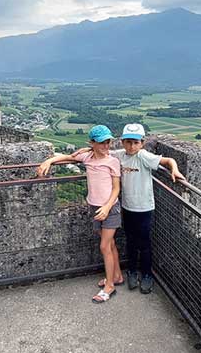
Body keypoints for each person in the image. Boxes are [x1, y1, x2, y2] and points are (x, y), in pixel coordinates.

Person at [75, 123, 184, 294]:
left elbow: (168, 160)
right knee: (131, 242)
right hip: (127, 206)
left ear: (142, 142)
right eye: (128, 142)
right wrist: (86, 149)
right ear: (123, 142)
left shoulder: (144, 156)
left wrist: (174, 170)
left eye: (135, 142)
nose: (131, 146)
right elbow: (101, 151)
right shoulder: (120, 155)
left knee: (145, 243)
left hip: (145, 207)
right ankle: (132, 271)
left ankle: (147, 275)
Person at [36, 125, 122, 303]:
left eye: (108, 142)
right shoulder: (87, 157)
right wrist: (48, 162)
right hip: (94, 206)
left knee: (104, 246)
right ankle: (117, 276)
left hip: (110, 208)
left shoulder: (112, 161)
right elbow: (67, 157)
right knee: (110, 244)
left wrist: (106, 207)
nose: (106, 146)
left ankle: (110, 286)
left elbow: (116, 189)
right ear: (92, 143)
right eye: (102, 143)